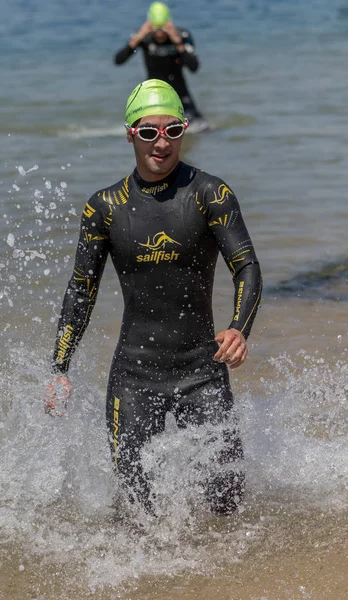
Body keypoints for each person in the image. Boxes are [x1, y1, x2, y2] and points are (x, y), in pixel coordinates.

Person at [45, 79, 262, 516]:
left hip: (203, 371)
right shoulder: (103, 207)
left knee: (228, 506)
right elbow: (81, 289)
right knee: (136, 511)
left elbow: (247, 267)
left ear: (183, 130)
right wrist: (60, 368)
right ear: (130, 134)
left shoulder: (209, 194)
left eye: (172, 131)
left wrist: (239, 328)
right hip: (134, 377)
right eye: (148, 132)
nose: (161, 142)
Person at [113, 2, 206, 126]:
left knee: (201, 127)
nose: (160, 33)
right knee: (155, 128)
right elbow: (118, 60)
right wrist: (137, 38)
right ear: (150, 25)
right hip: (154, 93)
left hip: (179, 91)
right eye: (156, 28)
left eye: (163, 28)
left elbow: (194, 67)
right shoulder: (144, 38)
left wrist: (178, 43)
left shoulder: (182, 36)